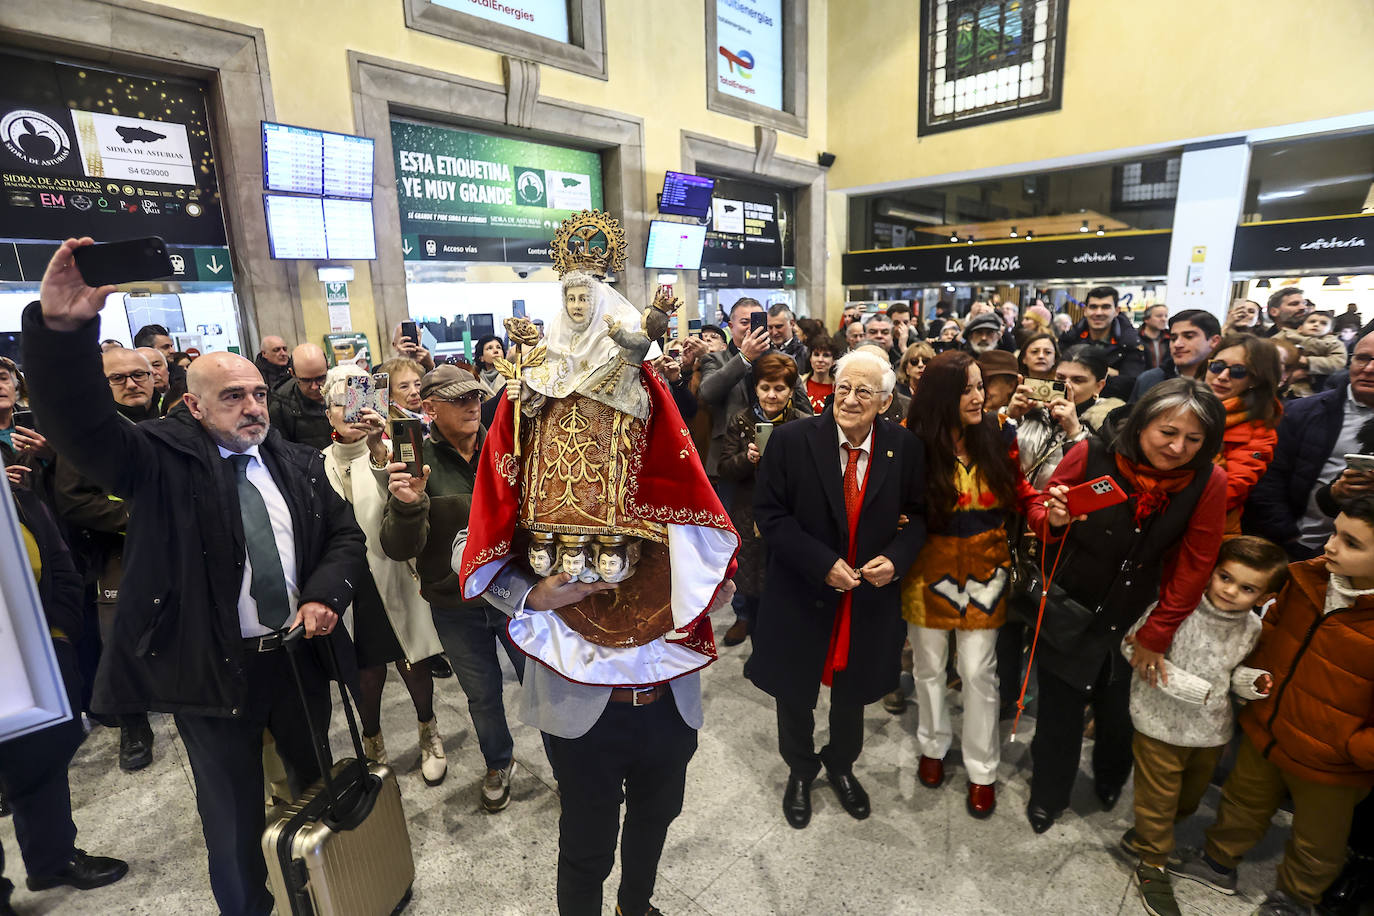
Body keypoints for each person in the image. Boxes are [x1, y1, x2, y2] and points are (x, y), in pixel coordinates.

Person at [23, 238, 365, 916]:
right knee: (233, 825)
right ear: (194, 406)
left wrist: (326, 594)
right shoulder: (160, 460)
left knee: (318, 798)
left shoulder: (294, 464)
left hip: (295, 659)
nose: (252, 408)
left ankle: (328, 900)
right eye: (232, 396)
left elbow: (344, 537)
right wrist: (63, 332)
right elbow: (82, 428)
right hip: (210, 673)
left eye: (258, 395)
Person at [1024, 378, 1228, 834]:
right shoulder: (1093, 454)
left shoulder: (1207, 482)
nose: (1178, 448)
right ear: (1141, 426)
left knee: (1120, 712)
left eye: (1194, 439)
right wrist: (1053, 517)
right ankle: (1047, 793)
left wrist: (1159, 631)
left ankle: (1110, 778)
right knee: (1059, 711)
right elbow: (1041, 511)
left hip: (1138, 616)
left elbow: (1196, 564)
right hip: (1070, 604)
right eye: (1167, 433)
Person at [747, 349, 928, 829]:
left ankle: (842, 765)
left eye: (863, 391)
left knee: (853, 692)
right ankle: (800, 770)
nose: (849, 399)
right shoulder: (790, 441)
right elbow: (769, 514)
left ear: (885, 402)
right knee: (795, 691)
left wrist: (898, 558)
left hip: (867, 597)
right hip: (802, 589)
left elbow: (921, 516)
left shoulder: (903, 447)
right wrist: (821, 563)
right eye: (844, 388)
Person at [1171, 499, 1374, 916]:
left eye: (1351, 543)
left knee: (1318, 838)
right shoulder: (1308, 580)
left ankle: (1296, 898)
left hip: (1332, 761)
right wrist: (1255, 680)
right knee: (1242, 802)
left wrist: (1354, 748)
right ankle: (1217, 861)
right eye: (1335, 532)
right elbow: (1271, 631)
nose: (1331, 546)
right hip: (1269, 727)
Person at [380, 365, 525, 812]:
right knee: (482, 694)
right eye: (458, 399)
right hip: (455, 603)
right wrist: (410, 504)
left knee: (542, 683)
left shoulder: (506, 445)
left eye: (476, 397)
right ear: (429, 408)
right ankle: (499, 762)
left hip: (516, 593)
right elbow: (397, 546)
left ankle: (569, 763)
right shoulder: (417, 461)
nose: (472, 405)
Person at [1118, 537, 1287, 916]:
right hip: (1158, 723)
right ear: (1210, 572)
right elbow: (1132, 647)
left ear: (1262, 597)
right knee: (1158, 800)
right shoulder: (1175, 609)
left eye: (1247, 588)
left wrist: (1251, 683)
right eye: (1225, 577)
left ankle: (1149, 833)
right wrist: (1187, 686)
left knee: (1188, 799)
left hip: (1211, 732)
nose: (1230, 591)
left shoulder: (1252, 629)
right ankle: (1153, 862)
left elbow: (1234, 674)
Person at [901, 351, 1038, 818]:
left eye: (981, 386)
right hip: (927, 568)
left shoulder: (1000, 434)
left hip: (986, 567)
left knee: (980, 672)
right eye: (967, 388)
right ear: (943, 395)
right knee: (929, 667)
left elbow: (1021, 493)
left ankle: (983, 770)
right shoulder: (911, 442)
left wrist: (1046, 510)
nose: (980, 396)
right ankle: (933, 746)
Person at [0, 481, 129, 910]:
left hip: (35, 649)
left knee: (43, 757)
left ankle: (52, 858)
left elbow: (56, 557)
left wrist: (61, 635)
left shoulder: (15, 493)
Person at [319, 366, 447, 784]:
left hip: (396, 573)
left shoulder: (395, 447)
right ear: (329, 415)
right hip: (352, 586)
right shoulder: (318, 464)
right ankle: (372, 739)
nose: (352, 412)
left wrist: (378, 450)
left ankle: (429, 731)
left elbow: (409, 499)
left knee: (414, 661)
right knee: (366, 671)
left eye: (358, 400)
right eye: (341, 403)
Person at [52, 347, 158, 773]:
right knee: (123, 639)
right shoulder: (87, 433)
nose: (132, 383)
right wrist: (138, 518)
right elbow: (72, 500)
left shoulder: (177, 421)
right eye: (119, 378)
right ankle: (134, 726)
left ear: (155, 378)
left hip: (183, 547)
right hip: (120, 550)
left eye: (139, 374)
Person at [1246, 332, 1374, 559]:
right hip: (1296, 544)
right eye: (1362, 358)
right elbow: (1268, 479)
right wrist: (1285, 534)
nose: (1369, 369)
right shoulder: (1301, 412)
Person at [718, 352, 804, 647]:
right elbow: (725, 468)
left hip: (789, 513)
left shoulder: (803, 424)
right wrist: (747, 457)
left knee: (783, 577)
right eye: (765, 387)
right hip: (748, 509)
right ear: (756, 388)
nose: (771, 395)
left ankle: (779, 639)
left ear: (791, 391)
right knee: (749, 574)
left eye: (780, 388)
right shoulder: (741, 420)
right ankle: (748, 624)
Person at [698, 298, 811, 481]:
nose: (752, 328)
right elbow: (707, 393)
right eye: (744, 322)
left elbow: (804, 408)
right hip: (730, 459)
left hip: (781, 456)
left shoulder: (784, 361)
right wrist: (744, 358)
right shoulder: (715, 360)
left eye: (757, 321)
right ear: (730, 325)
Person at [1197, 335, 1282, 535]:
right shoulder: (1180, 402)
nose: (1223, 376)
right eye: (1217, 366)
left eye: (1238, 371)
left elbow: (1228, 492)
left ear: (1255, 380)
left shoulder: (1261, 432)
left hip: (1206, 529)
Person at [1057, 286, 1146, 400]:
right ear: (1085, 310)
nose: (1098, 313)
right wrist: (1109, 372)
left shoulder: (1131, 343)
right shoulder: (1069, 339)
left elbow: (1129, 383)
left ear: (1116, 311)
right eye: (1093, 307)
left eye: (1105, 307)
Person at [1131, 310, 1223, 402]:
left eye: (1189, 336)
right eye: (1173, 338)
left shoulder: (1224, 380)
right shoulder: (1150, 380)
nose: (1177, 344)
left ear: (1214, 341)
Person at [267, 342, 332, 449]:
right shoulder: (280, 407)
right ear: (293, 374)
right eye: (306, 380)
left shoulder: (342, 393)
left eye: (320, 378)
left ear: (328, 368)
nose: (315, 387)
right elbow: (282, 453)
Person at [1279, 310, 1347, 397]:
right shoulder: (1287, 335)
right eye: (1312, 321)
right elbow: (1270, 349)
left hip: (1312, 388)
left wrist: (1308, 361)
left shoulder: (1334, 343)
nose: (1316, 324)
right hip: (1281, 378)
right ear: (1300, 328)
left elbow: (1338, 362)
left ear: (1330, 331)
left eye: (1323, 323)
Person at [975, 350, 1020, 414]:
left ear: (1011, 385)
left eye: (989, 382)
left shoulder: (1023, 417)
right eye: (980, 384)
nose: (983, 390)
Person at [767, 303, 809, 370]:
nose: (774, 332)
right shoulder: (761, 351)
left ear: (792, 324)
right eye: (770, 327)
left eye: (779, 326)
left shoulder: (805, 354)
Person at [805, 338, 839, 413]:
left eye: (826, 355)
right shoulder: (800, 383)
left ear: (833, 361)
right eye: (816, 354)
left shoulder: (839, 387)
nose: (820, 359)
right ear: (810, 358)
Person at [1138, 304, 1170, 370]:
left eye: (1166, 316)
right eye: (1159, 316)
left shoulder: (1171, 338)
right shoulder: (1135, 338)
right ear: (1146, 319)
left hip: (1167, 378)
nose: (1164, 319)